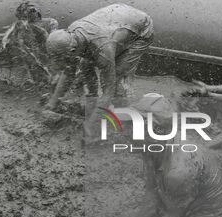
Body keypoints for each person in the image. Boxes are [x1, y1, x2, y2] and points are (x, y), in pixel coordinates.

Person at [122, 94, 222, 217]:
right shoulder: (151, 147)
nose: (126, 131)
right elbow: (152, 193)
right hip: (180, 204)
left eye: (132, 126)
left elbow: (171, 215)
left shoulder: (179, 170)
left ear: (156, 130)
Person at [44, 3, 154, 138]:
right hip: (117, 18)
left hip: (141, 29)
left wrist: (91, 125)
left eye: (61, 58)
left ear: (72, 50)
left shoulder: (103, 50)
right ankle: (93, 102)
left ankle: (122, 116)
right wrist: (52, 103)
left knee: (116, 75)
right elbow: (68, 71)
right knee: (85, 65)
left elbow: (108, 91)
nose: (59, 62)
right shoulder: (72, 34)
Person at [0, 1, 57, 87]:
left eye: (33, 12)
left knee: (45, 64)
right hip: (31, 50)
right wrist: (4, 46)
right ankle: (41, 81)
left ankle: (48, 81)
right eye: (25, 15)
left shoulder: (48, 22)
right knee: (34, 64)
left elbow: (52, 34)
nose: (31, 16)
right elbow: (8, 37)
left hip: (44, 48)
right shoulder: (21, 25)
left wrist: (47, 35)